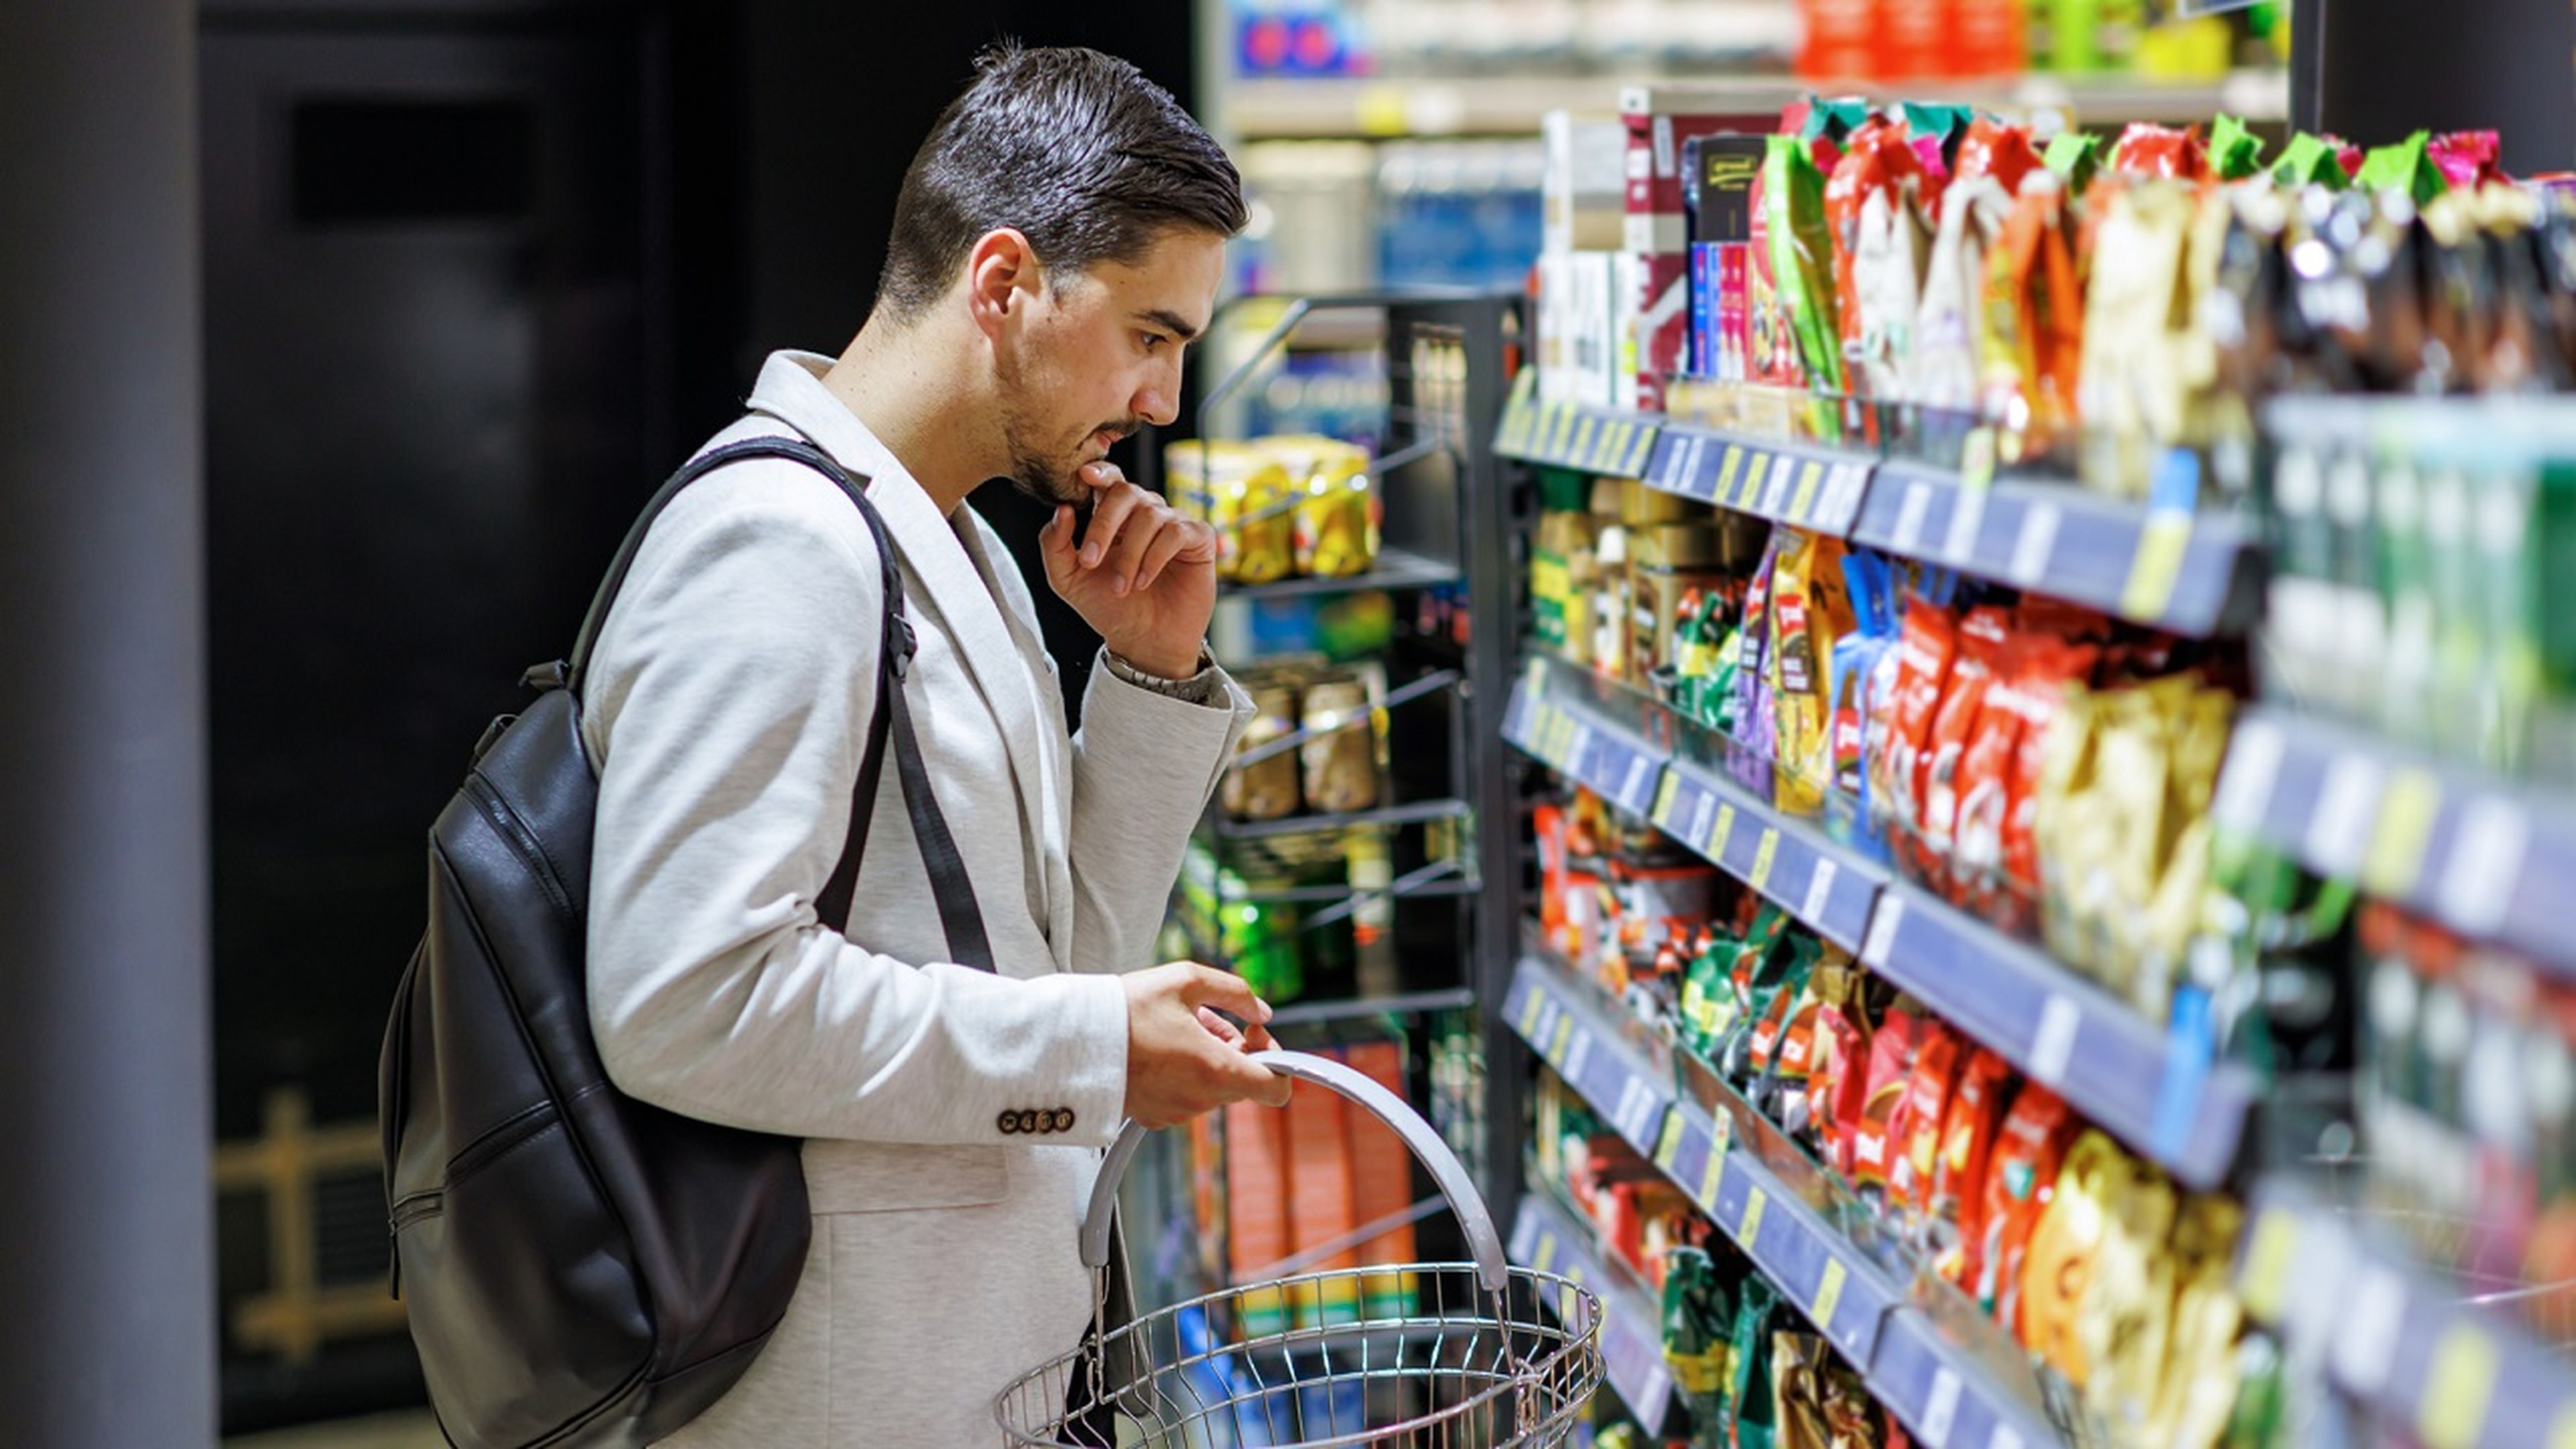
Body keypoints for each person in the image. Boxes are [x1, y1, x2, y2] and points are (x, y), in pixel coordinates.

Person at [578, 42, 1293, 1446]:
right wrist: (1088, 1052)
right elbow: (683, 999)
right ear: (1007, 282)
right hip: (826, 1391)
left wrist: (1144, 683)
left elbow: (1055, 970)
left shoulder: (952, 541)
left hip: (969, 1367)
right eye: (1151, 335)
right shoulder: (776, 548)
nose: (1160, 401)